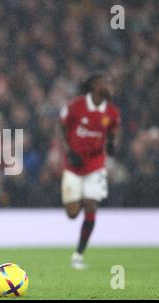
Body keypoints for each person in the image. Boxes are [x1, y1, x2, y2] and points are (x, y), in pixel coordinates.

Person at [59, 73, 120, 269]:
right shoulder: (75, 106)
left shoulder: (111, 112)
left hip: (95, 165)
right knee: (72, 213)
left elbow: (114, 132)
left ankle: (78, 254)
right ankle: (83, 201)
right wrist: (68, 151)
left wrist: (111, 144)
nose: (110, 86)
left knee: (91, 205)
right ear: (95, 85)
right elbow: (59, 128)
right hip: (74, 166)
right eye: (107, 82)